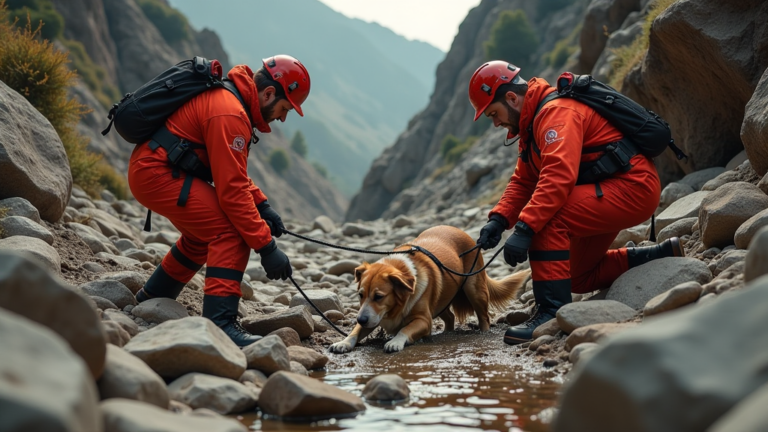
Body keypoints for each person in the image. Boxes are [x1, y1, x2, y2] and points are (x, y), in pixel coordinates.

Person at [469, 61, 683, 345]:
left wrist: (524, 229)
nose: (496, 123)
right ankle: (660, 256)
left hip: (632, 186)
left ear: (511, 98)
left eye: (494, 114)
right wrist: (498, 220)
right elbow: (524, 181)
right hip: (611, 187)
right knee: (578, 276)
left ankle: (551, 314)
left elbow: (557, 178)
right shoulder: (532, 124)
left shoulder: (556, 114)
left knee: (546, 221)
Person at [128, 55, 310, 347]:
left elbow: (232, 174)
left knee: (202, 236)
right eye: (285, 108)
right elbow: (232, 193)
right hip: (156, 172)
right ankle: (221, 325)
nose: (283, 117)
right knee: (231, 232)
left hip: (153, 166)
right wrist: (266, 247)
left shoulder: (232, 104)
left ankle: (153, 298)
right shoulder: (231, 114)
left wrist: (263, 207)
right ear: (268, 93)